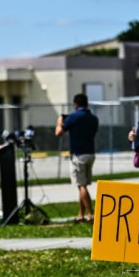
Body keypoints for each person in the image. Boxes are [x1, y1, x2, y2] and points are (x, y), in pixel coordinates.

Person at [55, 93, 99, 222]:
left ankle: (91, 214)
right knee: (83, 184)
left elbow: (59, 133)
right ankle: (80, 214)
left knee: (81, 185)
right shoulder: (93, 118)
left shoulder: (73, 117)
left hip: (78, 155)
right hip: (90, 153)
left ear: (75, 104)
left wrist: (59, 122)